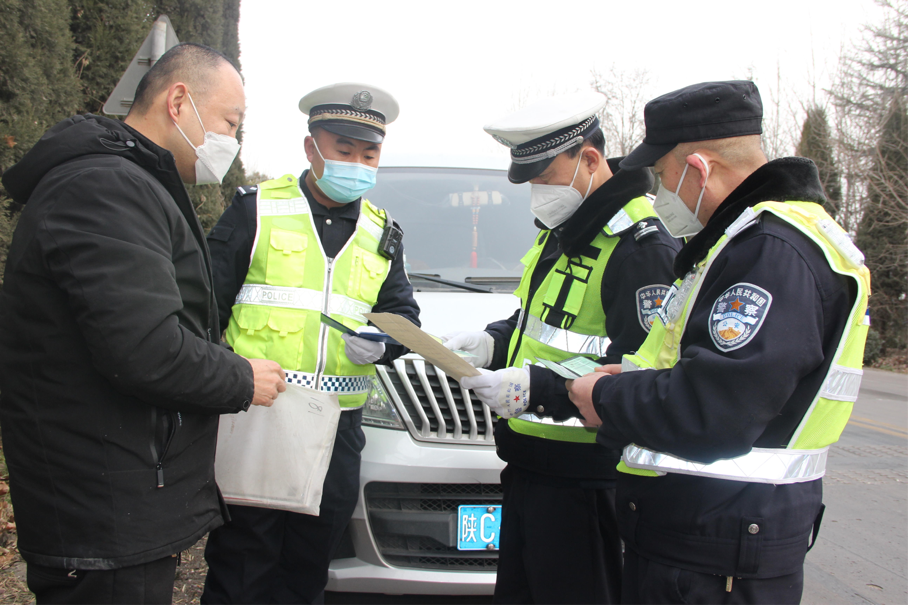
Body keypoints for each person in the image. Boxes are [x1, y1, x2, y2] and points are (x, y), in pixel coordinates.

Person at [0, 43, 287, 605]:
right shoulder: (106, 188)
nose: (232, 139)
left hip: (115, 499)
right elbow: (145, 348)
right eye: (231, 121)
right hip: (102, 510)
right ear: (179, 100)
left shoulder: (127, 183)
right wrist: (238, 377)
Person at [567, 80, 871, 604]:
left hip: (717, 552)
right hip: (711, 536)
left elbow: (715, 411)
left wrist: (603, 398)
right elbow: (716, 374)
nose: (658, 196)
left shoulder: (770, 251)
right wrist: (633, 380)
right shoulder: (750, 241)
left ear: (698, 169)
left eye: (662, 179)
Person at [444, 93, 681, 605]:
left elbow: (639, 371)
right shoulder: (566, 231)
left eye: (545, 178)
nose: (538, 194)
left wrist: (540, 388)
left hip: (586, 483)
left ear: (590, 160)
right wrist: (493, 342)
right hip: (530, 467)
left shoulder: (641, 248)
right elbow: (536, 320)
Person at [201, 82, 420, 605]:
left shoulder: (382, 232)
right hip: (258, 416)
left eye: (369, 154)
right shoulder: (257, 210)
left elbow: (404, 315)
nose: (357, 163)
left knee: (308, 566)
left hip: (336, 428)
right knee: (243, 560)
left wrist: (383, 342)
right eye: (344, 150)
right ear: (311, 148)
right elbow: (204, 304)